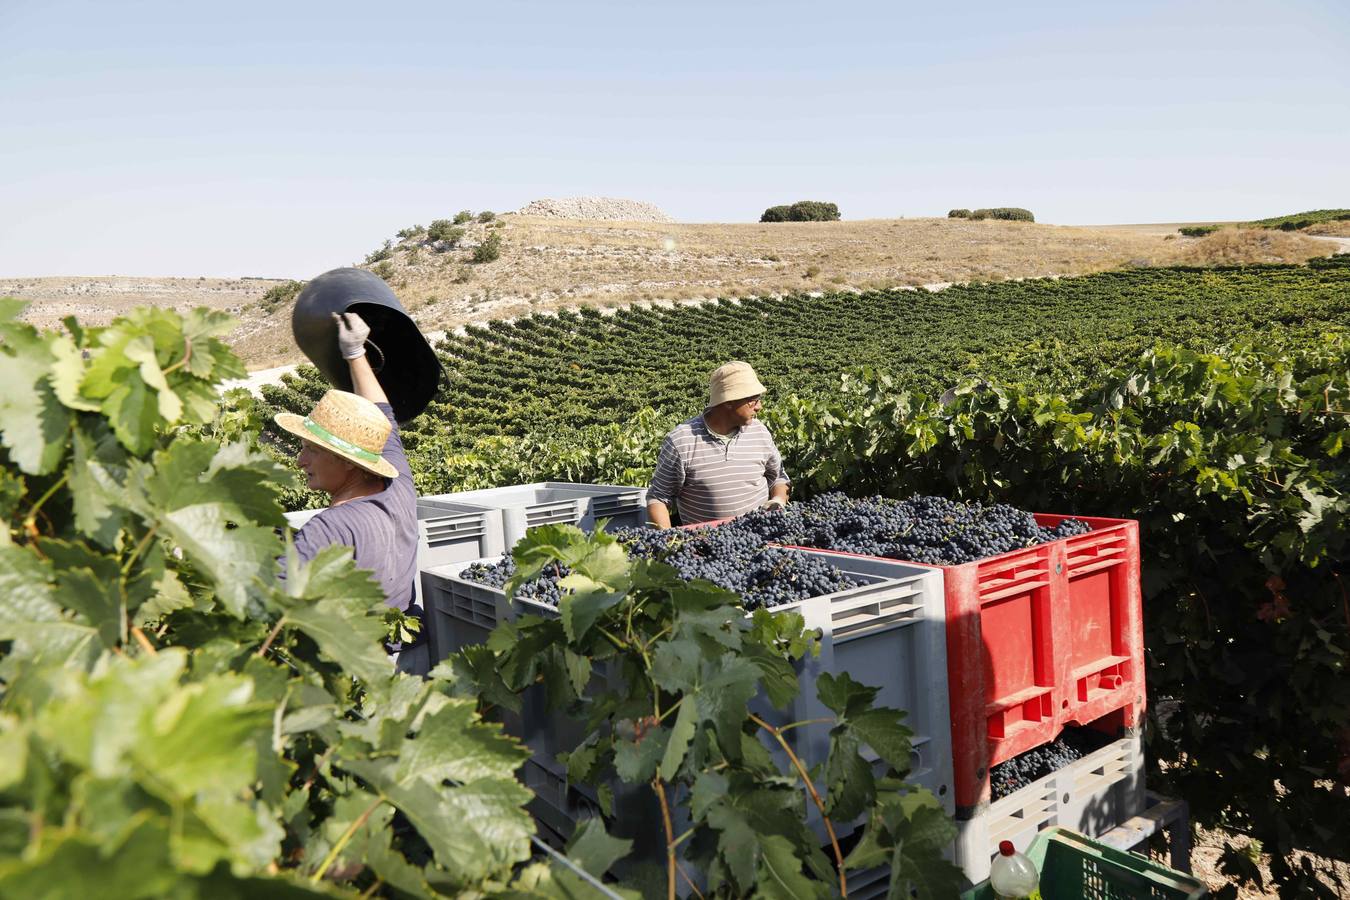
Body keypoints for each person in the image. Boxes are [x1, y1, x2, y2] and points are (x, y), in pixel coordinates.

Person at [273, 312, 427, 675]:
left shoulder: (328, 530)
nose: (300, 460)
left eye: (312, 450)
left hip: (354, 670)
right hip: (410, 660)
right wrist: (355, 352)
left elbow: (267, 600)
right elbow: (384, 418)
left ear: (348, 462)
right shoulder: (397, 485)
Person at [646, 361, 790, 528]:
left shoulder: (760, 432)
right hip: (706, 541)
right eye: (753, 400)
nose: (759, 407)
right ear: (729, 401)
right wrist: (668, 539)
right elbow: (658, 498)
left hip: (759, 536)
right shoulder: (682, 441)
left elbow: (778, 477)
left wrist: (778, 500)